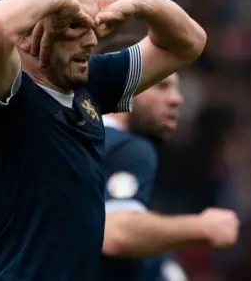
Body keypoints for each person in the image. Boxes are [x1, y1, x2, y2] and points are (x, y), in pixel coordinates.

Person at [0, 0, 207, 281]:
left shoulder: (90, 86)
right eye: (75, 25)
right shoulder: (9, 99)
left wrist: (137, 0)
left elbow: (188, 43)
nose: (92, 40)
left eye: (94, 26)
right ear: (28, 35)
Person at [97, 34, 239, 281]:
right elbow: (115, 232)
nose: (177, 99)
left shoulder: (63, 138)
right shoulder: (127, 149)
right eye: (161, 85)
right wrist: (201, 226)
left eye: (176, 87)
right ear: (122, 85)